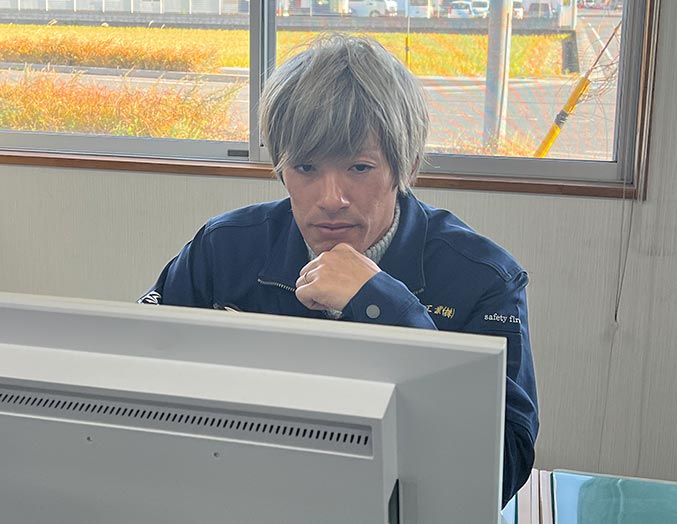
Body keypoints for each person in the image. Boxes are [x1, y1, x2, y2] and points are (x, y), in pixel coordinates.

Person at [139, 33, 538, 506]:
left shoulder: (484, 279)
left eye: (359, 168)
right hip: (242, 493)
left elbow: (503, 469)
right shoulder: (224, 247)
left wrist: (386, 307)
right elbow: (138, 375)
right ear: (281, 168)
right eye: (306, 168)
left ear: (405, 167)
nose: (331, 198)